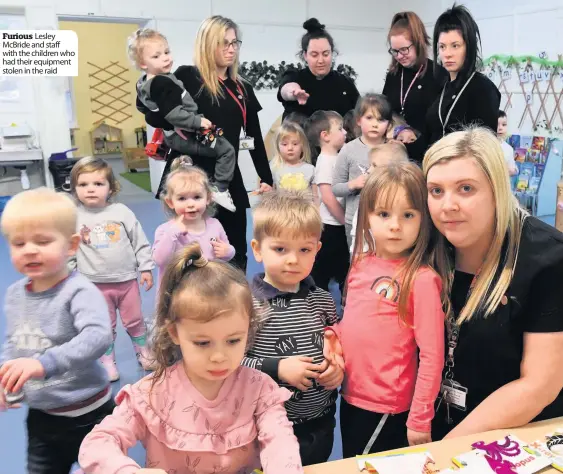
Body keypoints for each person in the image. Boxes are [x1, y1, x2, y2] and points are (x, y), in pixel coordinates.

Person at [78, 243, 304, 474]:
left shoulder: (259, 389)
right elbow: (97, 444)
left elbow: (281, 444)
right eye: (203, 343)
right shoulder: (151, 393)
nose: (219, 357)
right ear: (175, 333)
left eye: (234, 340)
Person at [423, 127, 563, 440]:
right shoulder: (428, 244)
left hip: (517, 433)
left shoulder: (547, 258)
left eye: (466, 189)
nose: (448, 205)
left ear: (497, 189)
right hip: (434, 421)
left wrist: (447, 448)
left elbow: (539, 384)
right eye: (436, 191)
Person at [326, 162, 446, 456]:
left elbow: (432, 355)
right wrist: (332, 339)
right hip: (351, 395)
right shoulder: (361, 265)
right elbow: (351, 323)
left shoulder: (421, 279)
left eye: (408, 215)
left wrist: (420, 416)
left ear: (423, 220)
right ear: (366, 216)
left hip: (388, 404)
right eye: (383, 214)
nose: (395, 225)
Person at [146, 15, 273, 272]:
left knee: (232, 246)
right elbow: (154, 114)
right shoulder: (185, 77)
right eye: (223, 43)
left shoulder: (242, 88)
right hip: (189, 174)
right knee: (190, 247)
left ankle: (233, 302)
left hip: (226, 177)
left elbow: (256, 137)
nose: (231, 49)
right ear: (206, 44)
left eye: (235, 42)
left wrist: (266, 178)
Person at [0, 188, 114, 474]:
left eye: (42, 241)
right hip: (43, 417)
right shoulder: (15, 294)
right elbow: (13, 342)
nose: (29, 250)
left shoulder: (78, 292)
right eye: (18, 243)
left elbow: (97, 336)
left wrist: (42, 363)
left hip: (92, 414)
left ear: (71, 245)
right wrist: (6, 377)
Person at [244, 191, 344, 466]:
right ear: (257, 249)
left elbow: (334, 343)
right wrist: (277, 369)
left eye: (304, 249)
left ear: (317, 250)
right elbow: (230, 362)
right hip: (265, 427)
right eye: (280, 249)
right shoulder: (245, 304)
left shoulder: (323, 299)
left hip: (320, 421)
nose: (293, 259)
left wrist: (337, 368)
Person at [130, 28, 236, 212]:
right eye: (156, 56)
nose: (165, 58)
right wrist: (197, 122)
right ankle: (220, 189)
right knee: (226, 150)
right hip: (186, 132)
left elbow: (142, 106)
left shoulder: (143, 82)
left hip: (176, 134)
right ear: (142, 63)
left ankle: (185, 165)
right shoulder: (163, 82)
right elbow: (173, 114)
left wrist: (163, 117)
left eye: (166, 52)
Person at [69, 156, 154, 381]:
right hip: (93, 285)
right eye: (83, 184)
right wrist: (69, 277)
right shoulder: (74, 217)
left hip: (126, 281)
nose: (90, 190)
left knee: (135, 319)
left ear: (111, 187)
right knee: (104, 325)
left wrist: (145, 268)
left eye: (98, 184)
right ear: (74, 188)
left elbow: (139, 241)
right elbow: (69, 249)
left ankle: (143, 351)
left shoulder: (121, 212)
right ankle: (107, 361)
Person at [152, 156, 235, 296]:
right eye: (182, 198)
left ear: (208, 198)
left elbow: (225, 253)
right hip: (177, 295)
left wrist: (229, 251)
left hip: (209, 291)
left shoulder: (215, 225)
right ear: (170, 202)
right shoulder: (165, 230)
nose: (190, 204)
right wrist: (173, 234)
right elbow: (160, 260)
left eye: (197, 197)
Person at [426, 5, 501, 147]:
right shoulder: (441, 86)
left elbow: (485, 148)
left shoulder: (482, 88)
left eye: (455, 46)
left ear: (469, 47)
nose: (447, 54)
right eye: (442, 46)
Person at [382, 11, 446, 164]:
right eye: (395, 51)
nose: (399, 56)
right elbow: (384, 111)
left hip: (428, 155)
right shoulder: (394, 75)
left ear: (418, 43)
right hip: (395, 155)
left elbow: (440, 124)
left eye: (404, 49)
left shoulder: (438, 75)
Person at [332, 93, 392, 246]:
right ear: (358, 120)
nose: (375, 124)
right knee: (357, 264)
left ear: (389, 124)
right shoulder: (348, 150)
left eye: (381, 119)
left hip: (388, 220)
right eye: (369, 118)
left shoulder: (394, 149)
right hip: (355, 221)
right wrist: (354, 184)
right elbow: (336, 188)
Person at [278, 18, 360, 121]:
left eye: (326, 54)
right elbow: (286, 90)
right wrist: (294, 92)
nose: (321, 60)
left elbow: (359, 112)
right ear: (305, 55)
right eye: (314, 55)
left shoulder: (344, 82)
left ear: (332, 53)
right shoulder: (295, 76)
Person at [305, 110, 349, 296]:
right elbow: (327, 196)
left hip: (337, 225)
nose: (345, 132)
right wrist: (345, 220)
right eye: (340, 128)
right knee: (323, 271)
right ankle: (318, 308)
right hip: (331, 227)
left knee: (343, 270)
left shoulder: (338, 158)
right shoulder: (325, 162)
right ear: (325, 136)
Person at [349, 141, 410, 253]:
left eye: (375, 166)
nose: (369, 170)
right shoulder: (369, 194)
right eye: (370, 164)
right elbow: (359, 232)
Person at [270, 122, 316, 198]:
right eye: (285, 144)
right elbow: (269, 197)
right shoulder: (273, 168)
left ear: (302, 146)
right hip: (281, 209)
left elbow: (316, 197)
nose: (290, 148)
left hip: (305, 209)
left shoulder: (311, 169)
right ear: (278, 146)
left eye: (295, 144)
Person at [497, 110, 518, 177]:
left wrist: (513, 170)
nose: (500, 128)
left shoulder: (508, 148)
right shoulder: (484, 145)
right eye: (496, 124)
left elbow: (513, 169)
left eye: (504, 125)